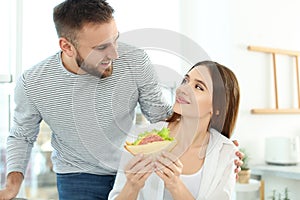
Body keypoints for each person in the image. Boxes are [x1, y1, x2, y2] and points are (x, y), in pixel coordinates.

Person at [0, 1, 242, 199]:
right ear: (67, 46)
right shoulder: (34, 82)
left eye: (115, 39)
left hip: (133, 165)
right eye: (102, 47)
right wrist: (13, 183)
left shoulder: (135, 60)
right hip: (79, 175)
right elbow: (21, 135)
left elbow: (160, 115)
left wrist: (216, 148)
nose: (115, 54)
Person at [108, 61, 240, 200]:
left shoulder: (226, 153)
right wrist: (132, 186)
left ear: (217, 108)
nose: (183, 89)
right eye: (185, 81)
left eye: (198, 87)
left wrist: (176, 186)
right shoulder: (141, 139)